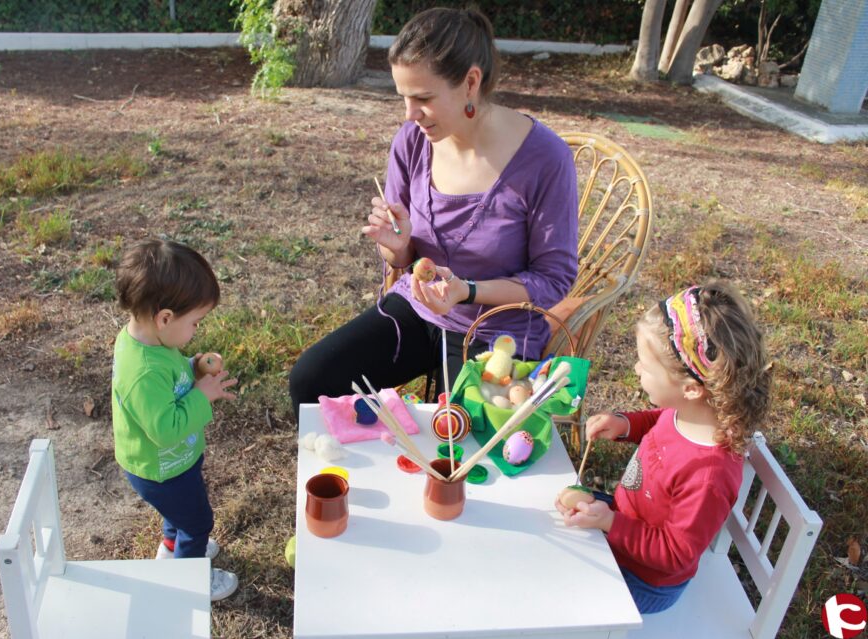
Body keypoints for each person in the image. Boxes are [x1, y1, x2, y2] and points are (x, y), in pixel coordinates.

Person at [289, 7, 578, 417]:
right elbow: (403, 260)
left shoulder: (545, 158)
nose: (409, 114)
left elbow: (553, 279)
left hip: (495, 331)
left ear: (470, 82)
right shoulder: (412, 140)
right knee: (312, 380)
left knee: (460, 436)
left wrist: (467, 291)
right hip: (418, 310)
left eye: (423, 99)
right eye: (404, 98)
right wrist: (397, 246)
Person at [556, 281, 773, 614]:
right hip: (624, 523)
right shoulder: (688, 412)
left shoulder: (709, 476)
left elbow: (674, 554)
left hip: (645, 580)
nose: (636, 369)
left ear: (691, 389)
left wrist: (611, 524)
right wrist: (626, 425)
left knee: (563, 589)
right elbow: (661, 421)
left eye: (645, 366)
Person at [112, 238, 240, 601]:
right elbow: (164, 430)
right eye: (195, 322)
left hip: (169, 465)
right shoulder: (143, 371)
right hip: (162, 468)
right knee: (198, 522)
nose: (197, 329)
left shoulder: (150, 343)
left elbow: (168, 379)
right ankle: (189, 581)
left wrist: (192, 367)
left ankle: (171, 547)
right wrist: (201, 395)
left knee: (179, 514)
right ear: (165, 318)